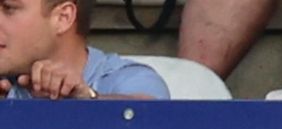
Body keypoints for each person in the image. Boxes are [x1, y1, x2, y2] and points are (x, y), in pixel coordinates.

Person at [0, 0, 169, 99]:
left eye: (8, 8)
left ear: (63, 17)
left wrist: (85, 101)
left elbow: (150, 117)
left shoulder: (130, 80)